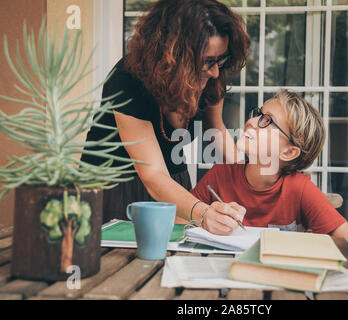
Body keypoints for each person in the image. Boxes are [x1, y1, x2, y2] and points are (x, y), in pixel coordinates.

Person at [81, 0, 249, 234]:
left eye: (221, 59)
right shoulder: (127, 80)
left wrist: (247, 179)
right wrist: (203, 213)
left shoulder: (211, 76)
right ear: (174, 56)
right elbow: (152, 174)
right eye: (207, 61)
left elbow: (216, 130)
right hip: (113, 187)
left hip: (172, 183)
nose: (216, 71)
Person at [191, 89, 348, 244]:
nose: (251, 122)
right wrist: (204, 218)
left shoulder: (300, 189)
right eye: (258, 114)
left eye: (267, 121)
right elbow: (179, 220)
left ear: (289, 152)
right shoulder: (221, 174)